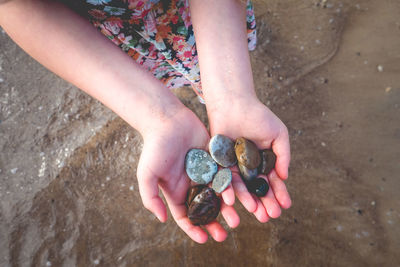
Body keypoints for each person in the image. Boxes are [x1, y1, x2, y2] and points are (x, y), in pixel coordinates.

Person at [0, 0, 292, 243]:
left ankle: (217, 80)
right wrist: (156, 114)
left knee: (203, 71)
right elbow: (14, 5)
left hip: (203, 15)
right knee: (175, 73)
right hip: (103, 38)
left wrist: (232, 92)